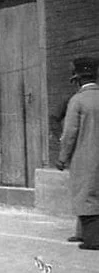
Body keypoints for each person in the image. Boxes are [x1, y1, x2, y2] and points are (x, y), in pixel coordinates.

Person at [57, 57, 99, 250]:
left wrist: (62, 158)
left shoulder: (77, 101)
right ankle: (81, 233)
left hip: (86, 156)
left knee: (85, 195)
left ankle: (92, 240)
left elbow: (69, 134)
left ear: (78, 79)